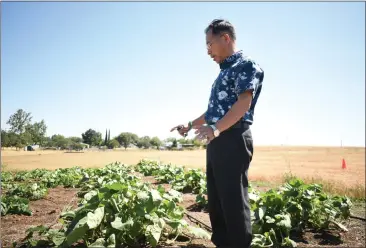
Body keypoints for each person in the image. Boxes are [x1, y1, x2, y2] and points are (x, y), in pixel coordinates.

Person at [171, 19, 264, 248]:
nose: (208, 51)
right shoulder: (223, 74)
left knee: (233, 201)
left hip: (232, 138)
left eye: (209, 44)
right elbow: (213, 112)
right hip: (217, 139)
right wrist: (190, 124)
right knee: (217, 201)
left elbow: (243, 103)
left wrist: (216, 128)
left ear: (225, 38)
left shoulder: (245, 65)